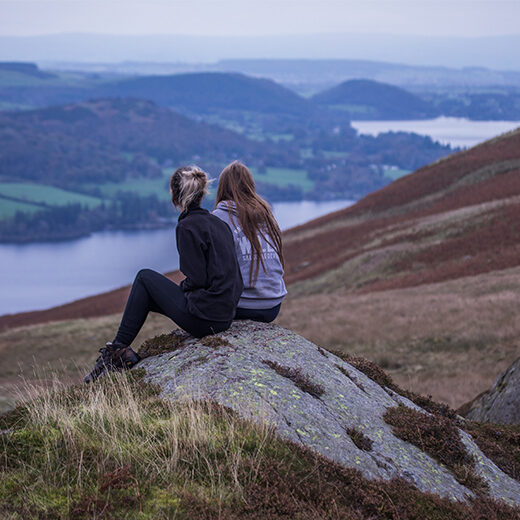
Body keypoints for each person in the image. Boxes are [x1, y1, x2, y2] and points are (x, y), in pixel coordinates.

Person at [84, 165, 243, 383]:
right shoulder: (218, 223)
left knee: (144, 278)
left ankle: (117, 351)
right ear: (202, 193)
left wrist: (183, 292)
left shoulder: (187, 227)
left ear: (175, 196)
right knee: (149, 292)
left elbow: (198, 279)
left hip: (205, 320)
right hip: (224, 316)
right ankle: (121, 352)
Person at [212, 161, 287, 323]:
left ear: (222, 187)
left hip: (242, 306)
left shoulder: (219, 217)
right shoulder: (266, 214)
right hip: (273, 306)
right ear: (250, 184)